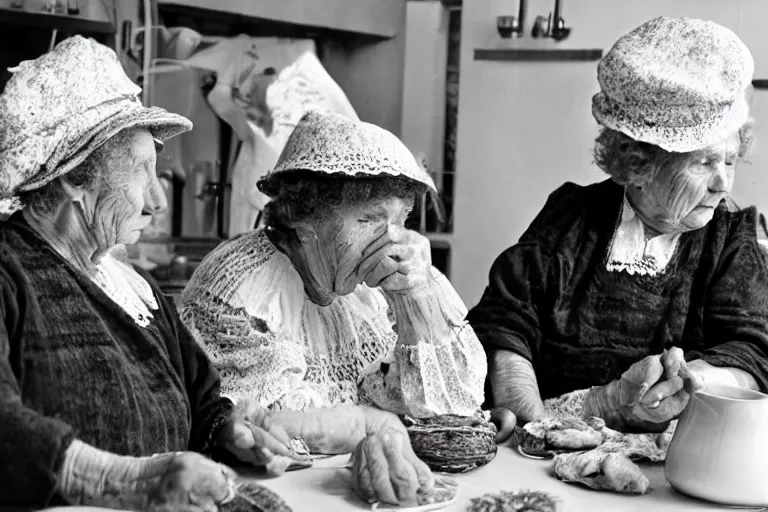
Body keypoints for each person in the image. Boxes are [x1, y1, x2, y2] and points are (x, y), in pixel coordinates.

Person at [0, 36, 439, 511]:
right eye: (141, 172)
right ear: (72, 180)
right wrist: (124, 483)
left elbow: (200, 395)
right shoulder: (10, 270)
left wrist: (228, 430)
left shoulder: (130, 286)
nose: (158, 200)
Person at [467, 17, 768, 441]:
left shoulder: (730, 240)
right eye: (703, 163)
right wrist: (536, 427)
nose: (724, 183)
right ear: (638, 162)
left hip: (671, 460)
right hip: (547, 443)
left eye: (731, 160)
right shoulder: (572, 214)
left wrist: (689, 380)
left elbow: (753, 351)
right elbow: (504, 322)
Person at [180, 110, 494, 472]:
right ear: (304, 219)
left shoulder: (366, 296)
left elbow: (442, 413)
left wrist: (415, 301)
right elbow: (261, 430)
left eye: (400, 220)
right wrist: (373, 425)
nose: (392, 240)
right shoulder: (246, 290)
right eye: (368, 220)